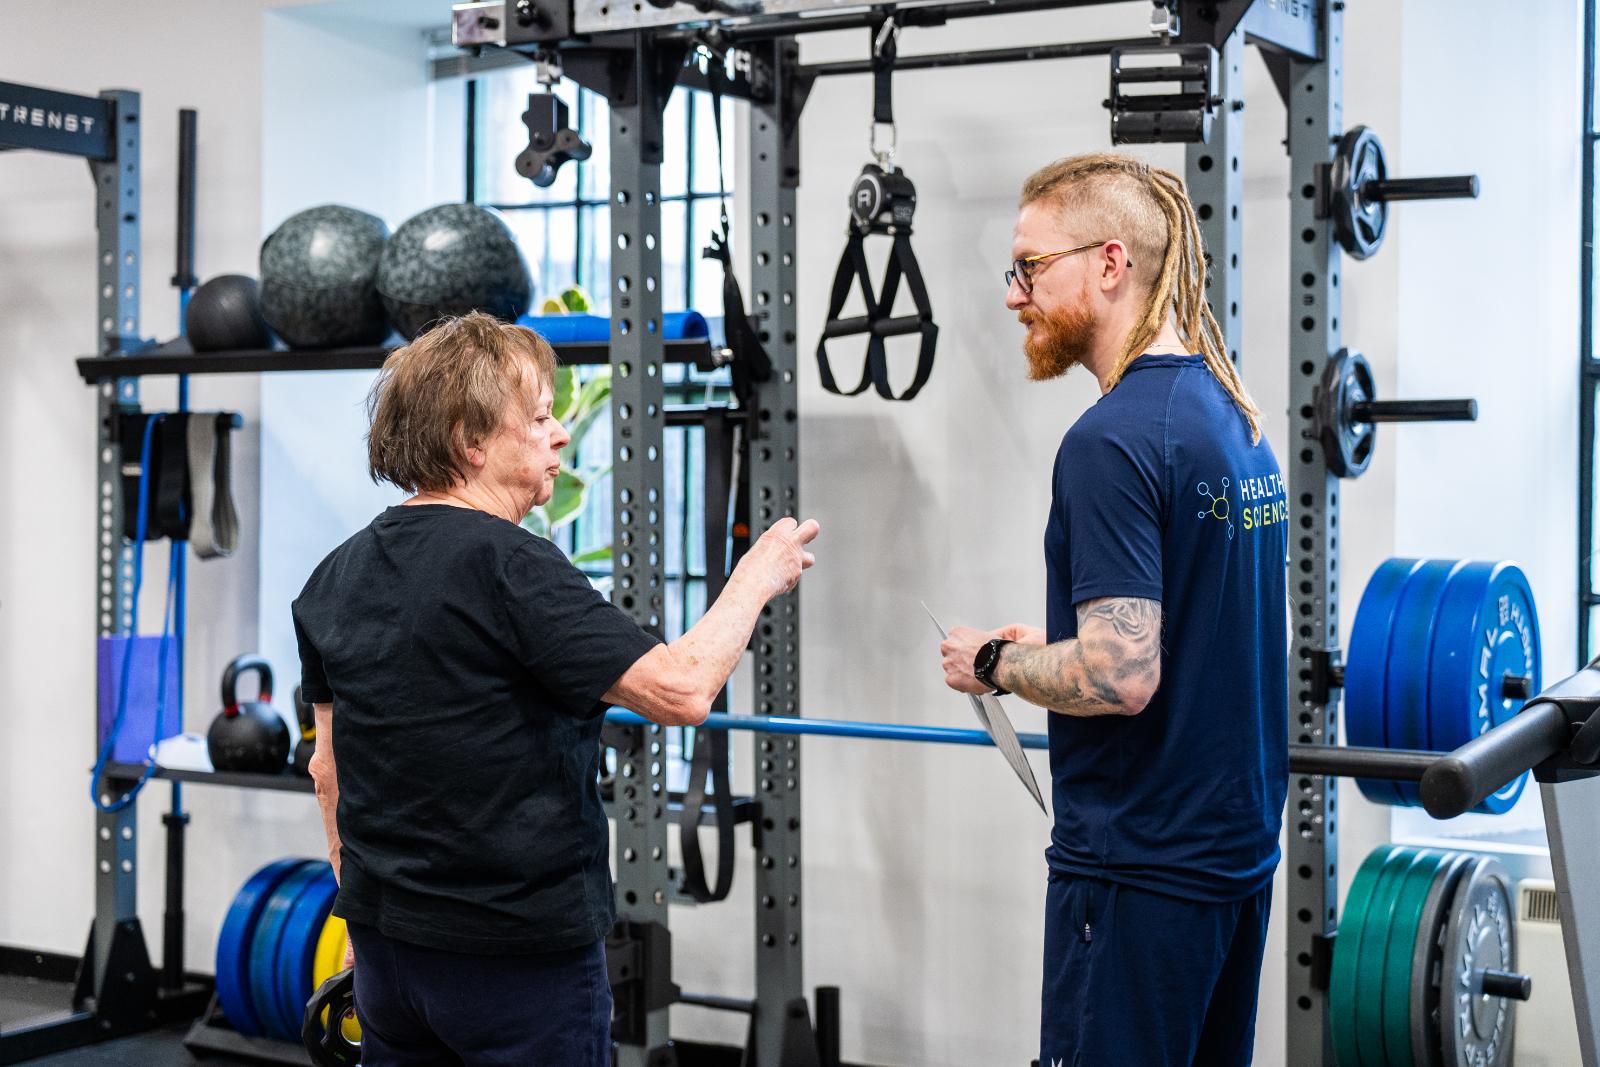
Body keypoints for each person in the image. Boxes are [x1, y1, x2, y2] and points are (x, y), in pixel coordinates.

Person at [293, 312, 819, 1067]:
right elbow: (682, 690)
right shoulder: (510, 563)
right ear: (472, 442)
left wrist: (373, 926)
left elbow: (327, 770)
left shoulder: (335, 573)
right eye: (539, 418)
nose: (560, 434)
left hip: (388, 952)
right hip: (518, 960)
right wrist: (757, 574)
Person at [938, 154, 1287, 1067]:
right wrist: (1054, 646)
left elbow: (1124, 673)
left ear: (1108, 262)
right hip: (1231, 864)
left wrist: (992, 664)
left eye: (1029, 267)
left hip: (1140, 869)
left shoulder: (1110, 440)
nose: (1014, 296)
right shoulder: (1231, 419)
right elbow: (1179, 629)